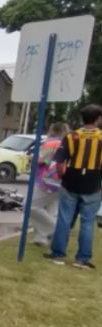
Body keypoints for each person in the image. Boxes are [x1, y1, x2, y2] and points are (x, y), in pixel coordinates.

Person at [45, 105, 102, 269]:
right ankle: (82, 259)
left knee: (64, 218)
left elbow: (60, 163)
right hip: (93, 182)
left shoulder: (72, 136)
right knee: (87, 222)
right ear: (98, 118)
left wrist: (64, 177)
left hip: (71, 180)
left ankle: (58, 254)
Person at [30, 122, 68, 246]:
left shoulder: (51, 142)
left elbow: (42, 160)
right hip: (61, 180)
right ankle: (41, 238)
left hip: (47, 180)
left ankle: (56, 230)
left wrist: (32, 158)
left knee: (31, 206)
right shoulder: (65, 143)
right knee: (52, 209)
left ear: (52, 130)